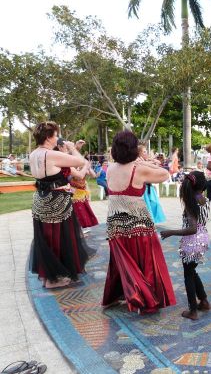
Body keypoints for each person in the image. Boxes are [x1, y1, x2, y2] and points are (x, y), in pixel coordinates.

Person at [102, 131, 176, 313]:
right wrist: (141, 162)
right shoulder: (138, 169)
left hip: (116, 225)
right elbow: (165, 174)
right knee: (146, 263)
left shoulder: (110, 168)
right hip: (138, 224)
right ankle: (145, 298)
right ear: (133, 149)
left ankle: (119, 294)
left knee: (121, 263)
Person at [29, 122, 93, 288]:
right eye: (56, 135)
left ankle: (48, 276)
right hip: (56, 201)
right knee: (59, 238)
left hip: (40, 200)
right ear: (49, 137)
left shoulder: (33, 154)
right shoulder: (50, 154)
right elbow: (79, 161)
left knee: (46, 238)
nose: (57, 138)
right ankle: (53, 278)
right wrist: (72, 148)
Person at [160, 171, 211, 320]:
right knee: (192, 270)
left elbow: (192, 228)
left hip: (192, 241)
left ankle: (193, 310)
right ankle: (204, 301)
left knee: (188, 274)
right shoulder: (203, 199)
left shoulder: (191, 203)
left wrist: (171, 232)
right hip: (202, 239)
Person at [55, 138, 99, 231]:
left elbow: (90, 174)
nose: (68, 149)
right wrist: (76, 149)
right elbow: (78, 174)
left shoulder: (66, 158)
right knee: (75, 212)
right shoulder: (58, 157)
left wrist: (76, 149)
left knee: (79, 211)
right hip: (68, 190)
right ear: (59, 147)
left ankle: (78, 228)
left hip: (77, 190)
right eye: (66, 147)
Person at [138, 144, 166, 224]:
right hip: (143, 188)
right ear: (139, 153)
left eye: (146, 151)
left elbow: (156, 165)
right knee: (146, 206)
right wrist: (153, 161)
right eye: (144, 152)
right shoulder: (139, 161)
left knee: (154, 204)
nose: (146, 153)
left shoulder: (145, 161)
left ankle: (150, 221)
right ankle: (147, 222)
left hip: (148, 187)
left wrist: (153, 161)